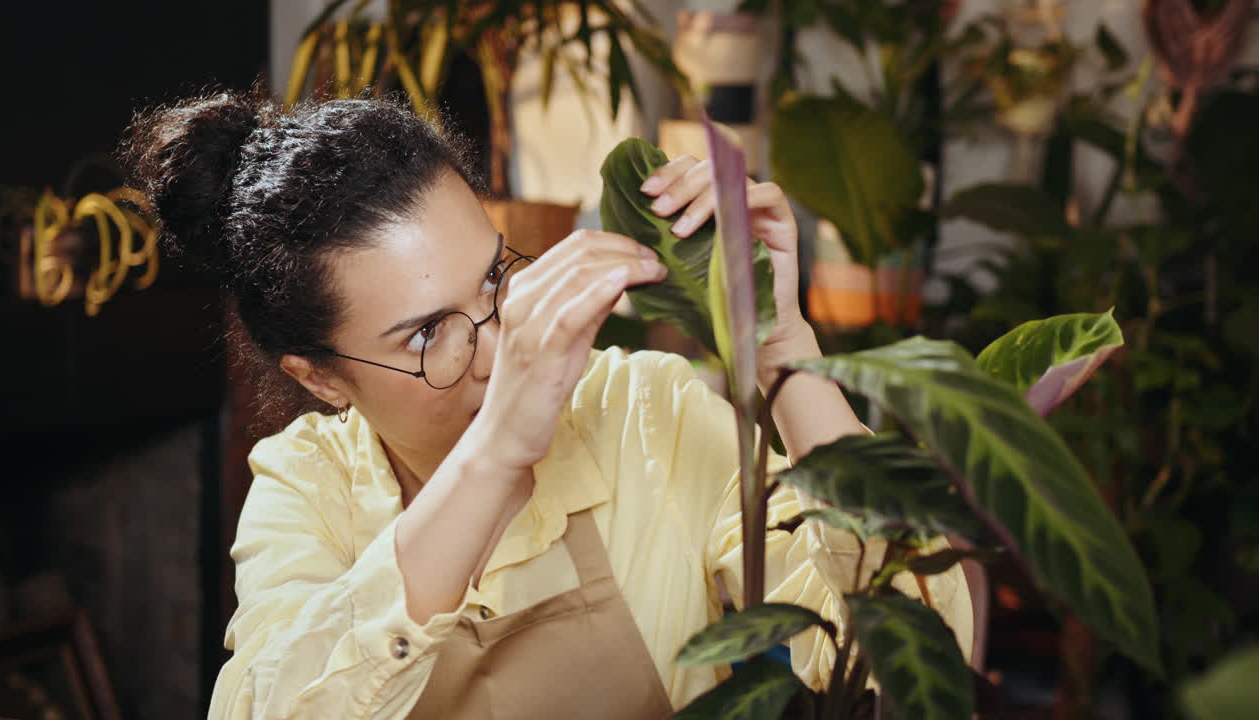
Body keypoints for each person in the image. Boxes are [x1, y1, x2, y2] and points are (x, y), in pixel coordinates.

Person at [121, 90, 972, 719]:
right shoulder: (307, 485)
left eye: (495, 276)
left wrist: (785, 348)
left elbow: (923, 654)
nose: (500, 352)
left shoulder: (647, 412)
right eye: (427, 335)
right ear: (321, 379)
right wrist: (496, 453)